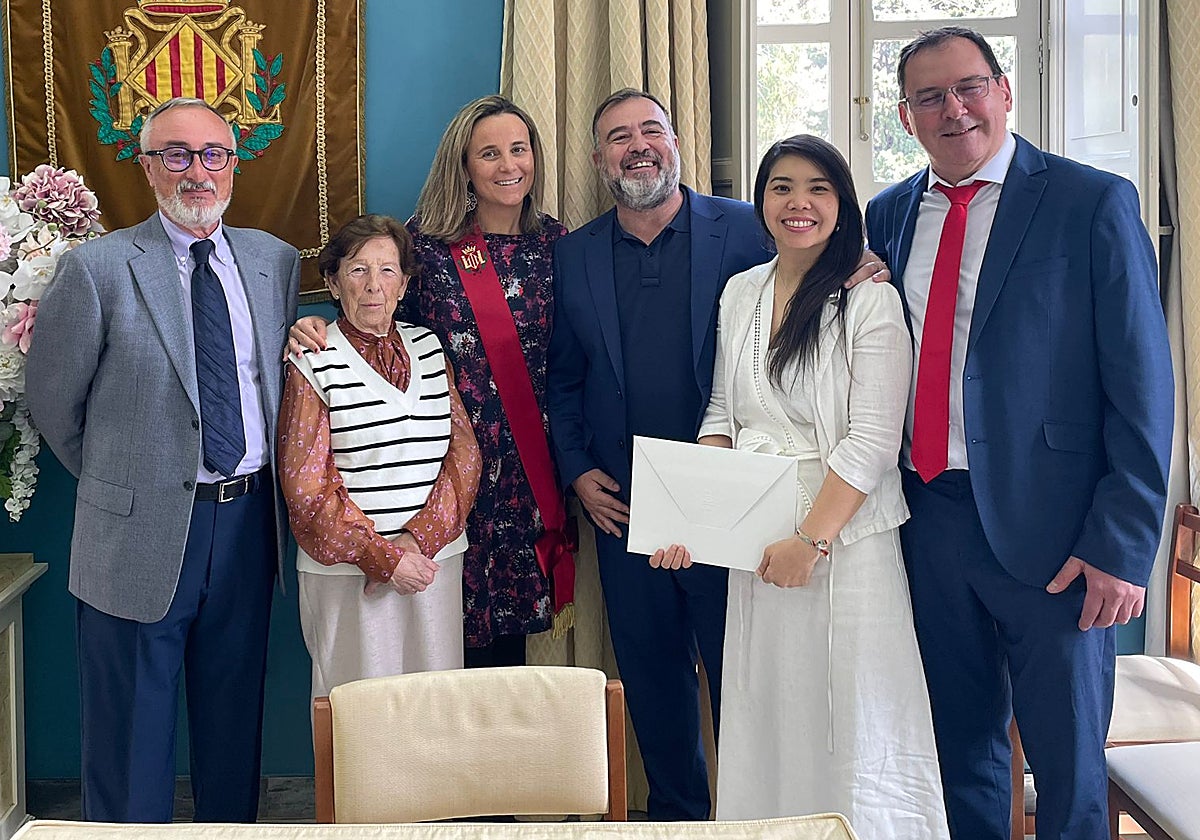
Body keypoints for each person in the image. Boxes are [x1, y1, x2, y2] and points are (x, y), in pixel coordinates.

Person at [863, 27, 1173, 840]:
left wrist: (1121, 546)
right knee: (960, 751)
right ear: (906, 116)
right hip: (928, 518)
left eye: (969, 87)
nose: (953, 109)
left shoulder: (1090, 201)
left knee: (1069, 767)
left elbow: (1143, 386)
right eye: (929, 97)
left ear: (1004, 91)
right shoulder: (888, 214)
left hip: (1060, 535)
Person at [655, 135, 949, 836]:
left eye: (818, 188)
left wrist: (810, 542)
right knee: (767, 717)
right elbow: (721, 415)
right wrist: (698, 524)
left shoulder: (870, 300)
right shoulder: (741, 292)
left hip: (844, 545)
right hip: (756, 544)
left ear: (842, 203)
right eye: (782, 187)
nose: (799, 203)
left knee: (851, 719)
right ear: (761, 202)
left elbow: (872, 442)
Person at [25, 97, 299, 822]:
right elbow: (55, 404)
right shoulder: (97, 270)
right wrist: (129, 483)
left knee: (233, 728)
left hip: (248, 527)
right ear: (147, 167)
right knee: (129, 740)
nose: (197, 171)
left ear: (233, 165)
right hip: (135, 531)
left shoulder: (273, 262)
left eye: (213, 154)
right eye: (176, 154)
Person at [545, 88, 772, 821]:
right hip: (625, 508)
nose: (637, 145)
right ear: (598, 160)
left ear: (676, 142)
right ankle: (678, 821)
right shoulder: (574, 254)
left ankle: (755, 822)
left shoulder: (748, 229)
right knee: (653, 680)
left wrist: (862, 264)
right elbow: (563, 380)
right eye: (619, 137)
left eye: (651, 130)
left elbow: (819, 278)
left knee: (744, 681)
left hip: (732, 504)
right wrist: (577, 471)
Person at [290, 96, 571, 667]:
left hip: (526, 477)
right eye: (489, 153)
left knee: (504, 656)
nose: (508, 165)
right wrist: (311, 324)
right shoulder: (427, 246)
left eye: (519, 150)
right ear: (463, 165)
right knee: (426, 648)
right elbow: (375, 320)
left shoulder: (558, 245)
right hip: (431, 475)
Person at [278, 214, 481, 700]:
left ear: (404, 284)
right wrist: (383, 560)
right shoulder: (313, 357)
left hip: (432, 565)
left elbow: (464, 457)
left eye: (388, 270)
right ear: (332, 282)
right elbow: (306, 487)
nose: (374, 285)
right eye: (357, 270)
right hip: (347, 576)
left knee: (435, 706)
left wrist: (416, 543)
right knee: (358, 711)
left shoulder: (429, 347)